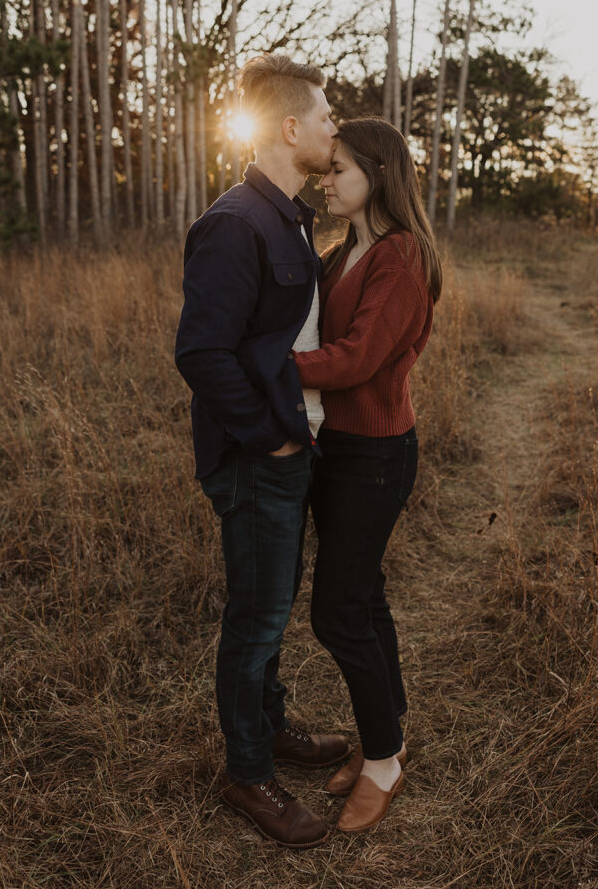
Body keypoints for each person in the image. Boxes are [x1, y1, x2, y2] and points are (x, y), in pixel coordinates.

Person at [174, 53, 350, 849]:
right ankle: (247, 774)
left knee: (272, 611)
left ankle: (269, 729)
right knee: (256, 617)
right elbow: (202, 353)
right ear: (287, 127)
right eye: (323, 115)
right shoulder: (234, 222)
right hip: (257, 459)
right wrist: (273, 437)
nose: (332, 125)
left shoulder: (290, 216)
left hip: (290, 449)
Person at [293, 117, 442, 833]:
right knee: (365, 594)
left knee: (338, 611)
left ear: (377, 173)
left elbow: (354, 358)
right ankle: (392, 731)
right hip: (338, 450)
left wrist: (265, 370)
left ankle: (382, 759)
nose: (328, 179)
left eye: (339, 168)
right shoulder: (338, 252)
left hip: (377, 455)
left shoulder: (400, 257)